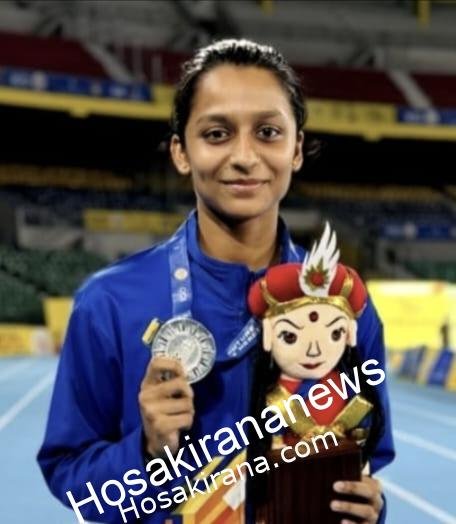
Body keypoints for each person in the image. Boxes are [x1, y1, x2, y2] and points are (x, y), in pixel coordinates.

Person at [37, 39, 394, 524]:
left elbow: (369, 457)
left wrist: (369, 509)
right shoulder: (109, 303)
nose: (244, 156)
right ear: (181, 152)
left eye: (268, 132)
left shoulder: (343, 305)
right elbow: (74, 484)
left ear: (296, 150)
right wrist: (146, 451)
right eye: (217, 133)